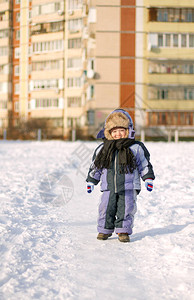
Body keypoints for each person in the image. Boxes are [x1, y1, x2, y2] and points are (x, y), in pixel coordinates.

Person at [86, 109, 155, 243]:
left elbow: (144, 164)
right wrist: (91, 181)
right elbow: (97, 166)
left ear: (128, 130)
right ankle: (104, 230)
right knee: (106, 208)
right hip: (109, 186)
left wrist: (148, 178)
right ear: (109, 132)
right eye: (114, 131)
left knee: (127, 208)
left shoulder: (136, 147)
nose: (118, 134)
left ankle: (123, 231)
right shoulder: (103, 148)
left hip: (128, 186)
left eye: (121, 130)